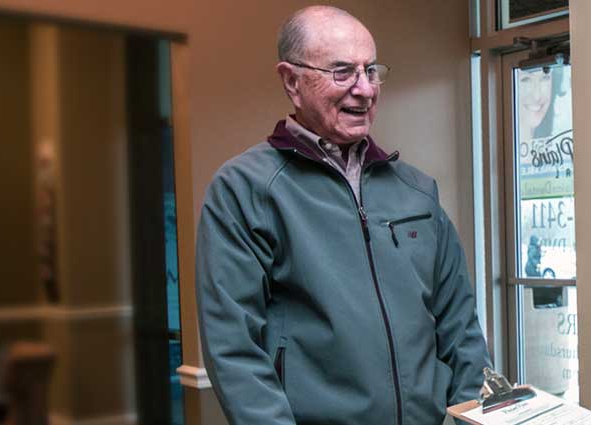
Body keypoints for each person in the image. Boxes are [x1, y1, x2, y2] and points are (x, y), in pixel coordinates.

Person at [196, 6, 489, 425]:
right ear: (291, 81)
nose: (365, 89)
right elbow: (235, 350)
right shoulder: (245, 190)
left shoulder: (417, 191)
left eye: (370, 70)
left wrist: (471, 418)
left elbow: (462, 331)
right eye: (342, 72)